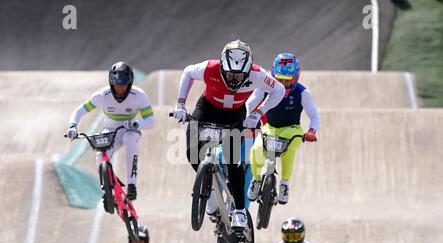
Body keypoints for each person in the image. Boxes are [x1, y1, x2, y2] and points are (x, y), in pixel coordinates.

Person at [171, 39, 285, 231]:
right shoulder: (210, 68)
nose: (233, 79)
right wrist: (180, 104)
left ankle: (240, 211)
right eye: (230, 73)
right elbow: (188, 72)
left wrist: (257, 113)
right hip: (207, 108)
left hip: (235, 114)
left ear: (248, 71)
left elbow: (279, 90)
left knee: (233, 162)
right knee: (191, 151)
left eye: (239, 75)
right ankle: (210, 182)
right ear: (222, 67)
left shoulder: (258, 74)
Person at [66, 61, 155, 201]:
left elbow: (151, 122)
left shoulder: (139, 95)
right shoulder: (102, 95)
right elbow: (79, 111)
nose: (119, 89)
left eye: (123, 85)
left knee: (129, 138)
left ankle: (132, 185)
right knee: (100, 155)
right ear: (111, 83)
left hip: (130, 130)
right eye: (116, 85)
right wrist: (72, 126)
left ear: (130, 83)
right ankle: (107, 188)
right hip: (110, 131)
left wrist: (135, 123)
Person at [247, 53, 320, 204]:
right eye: (279, 79)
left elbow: (314, 115)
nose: (283, 83)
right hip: (270, 127)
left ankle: (284, 184)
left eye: (287, 81)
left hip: (292, 129)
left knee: (289, 150)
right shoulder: (264, 87)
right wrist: (245, 115)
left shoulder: (302, 93)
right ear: (273, 75)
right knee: (256, 149)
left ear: (296, 78)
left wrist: (311, 131)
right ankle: (256, 180)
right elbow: (251, 101)